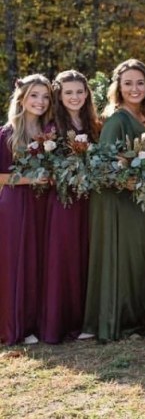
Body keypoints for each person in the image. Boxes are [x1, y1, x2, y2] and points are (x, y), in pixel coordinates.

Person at [82, 59, 145, 342]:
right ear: (118, 87)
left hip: (138, 197)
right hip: (116, 201)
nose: (135, 88)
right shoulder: (116, 120)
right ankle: (120, 321)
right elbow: (102, 167)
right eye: (128, 83)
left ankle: (137, 318)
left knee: (137, 258)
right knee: (123, 259)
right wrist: (125, 180)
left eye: (140, 83)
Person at [39, 70, 100, 343]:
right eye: (68, 93)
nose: (75, 97)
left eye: (79, 91)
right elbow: (47, 166)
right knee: (64, 257)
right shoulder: (52, 128)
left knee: (86, 254)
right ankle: (59, 323)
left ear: (87, 94)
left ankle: (86, 319)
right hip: (63, 200)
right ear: (59, 96)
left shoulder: (94, 125)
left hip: (90, 200)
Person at [0, 74, 52, 346]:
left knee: (36, 261)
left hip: (42, 204)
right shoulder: (7, 133)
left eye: (45, 97)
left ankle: (33, 322)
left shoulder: (49, 132)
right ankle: (13, 324)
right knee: (17, 261)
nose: (40, 101)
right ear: (21, 98)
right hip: (16, 204)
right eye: (34, 95)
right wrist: (31, 179)